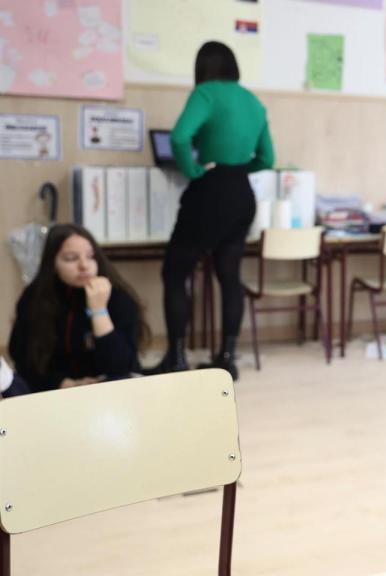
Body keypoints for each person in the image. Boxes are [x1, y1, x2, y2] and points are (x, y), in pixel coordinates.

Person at [148, 41, 275, 380]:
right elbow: (268, 159)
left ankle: (176, 358)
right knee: (229, 277)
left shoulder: (205, 94)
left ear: (203, 67)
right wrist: (237, 171)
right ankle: (227, 358)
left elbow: (178, 137)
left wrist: (194, 170)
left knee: (176, 273)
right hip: (242, 196)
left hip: (209, 194)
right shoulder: (253, 101)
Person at [6, 224, 146, 395]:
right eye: (71, 258)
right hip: (55, 393)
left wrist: (99, 310)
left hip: (110, 390)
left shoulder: (118, 297)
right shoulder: (35, 299)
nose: (84, 265)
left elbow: (123, 366)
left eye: (90, 256)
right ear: (53, 263)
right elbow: (23, 359)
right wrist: (63, 383)